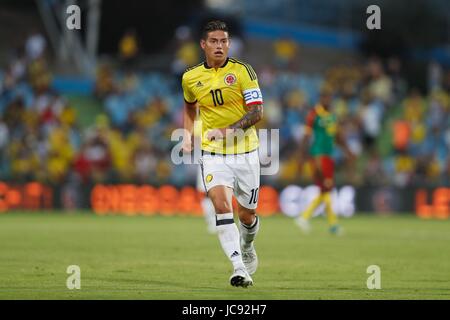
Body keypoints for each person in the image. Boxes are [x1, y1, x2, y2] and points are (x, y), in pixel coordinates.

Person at [181, 20, 263, 287]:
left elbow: (257, 112)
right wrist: (187, 135)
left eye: (224, 41)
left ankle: (248, 246)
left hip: (246, 152)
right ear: (203, 45)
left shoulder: (242, 72)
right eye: (214, 41)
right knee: (221, 206)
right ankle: (239, 267)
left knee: (247, 215)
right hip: (213, 152)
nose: (219, 46)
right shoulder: (190, 77)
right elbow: (190, 107)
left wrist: (228, 130)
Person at [296, 85, 355, 235]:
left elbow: (338, 137)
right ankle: (332, 225)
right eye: (325, 98)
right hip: (318, 155)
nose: (328, 100)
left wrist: (348, 151)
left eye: (330, 98)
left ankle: (304, 218)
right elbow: (306, 137)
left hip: (329, 156)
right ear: (320, 99)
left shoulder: (333, 116)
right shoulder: (313, 114)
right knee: (327, 187)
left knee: (325, 190)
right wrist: (303, 157)